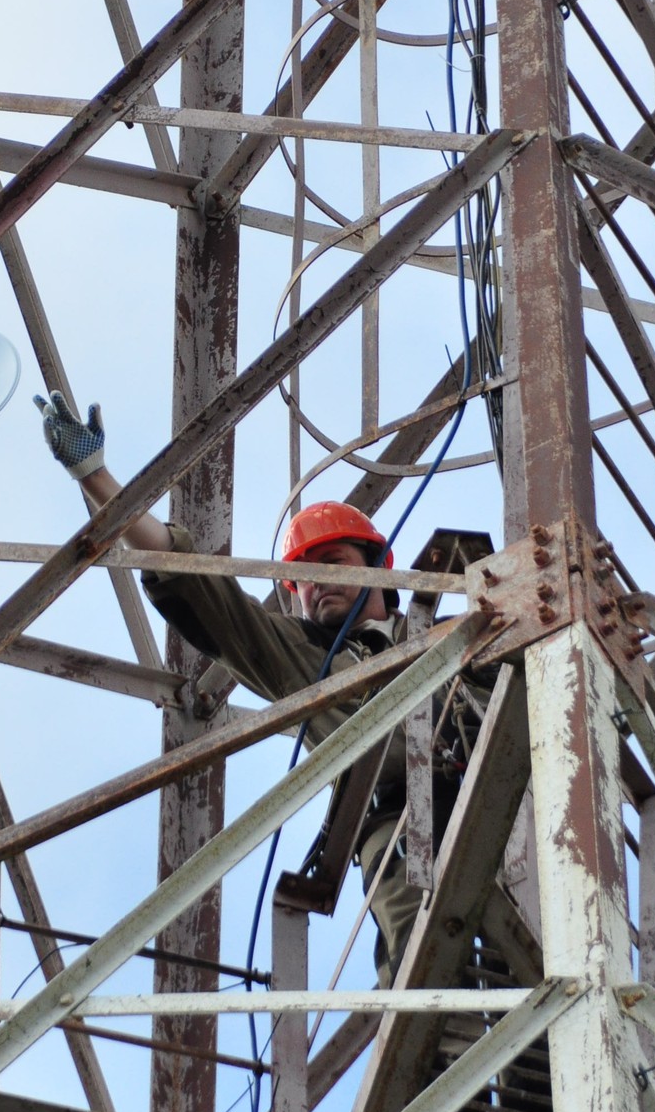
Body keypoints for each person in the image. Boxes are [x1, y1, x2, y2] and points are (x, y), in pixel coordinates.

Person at [33, 391, 452, 981]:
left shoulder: (445, 630)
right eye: (301, 581)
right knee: (425, 975)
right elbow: (206, 592)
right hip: (400, 830)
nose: (315, 586)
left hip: (503, 791)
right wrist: (96, 478)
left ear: (380, 568)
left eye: (331, 562)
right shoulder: (303, 658)